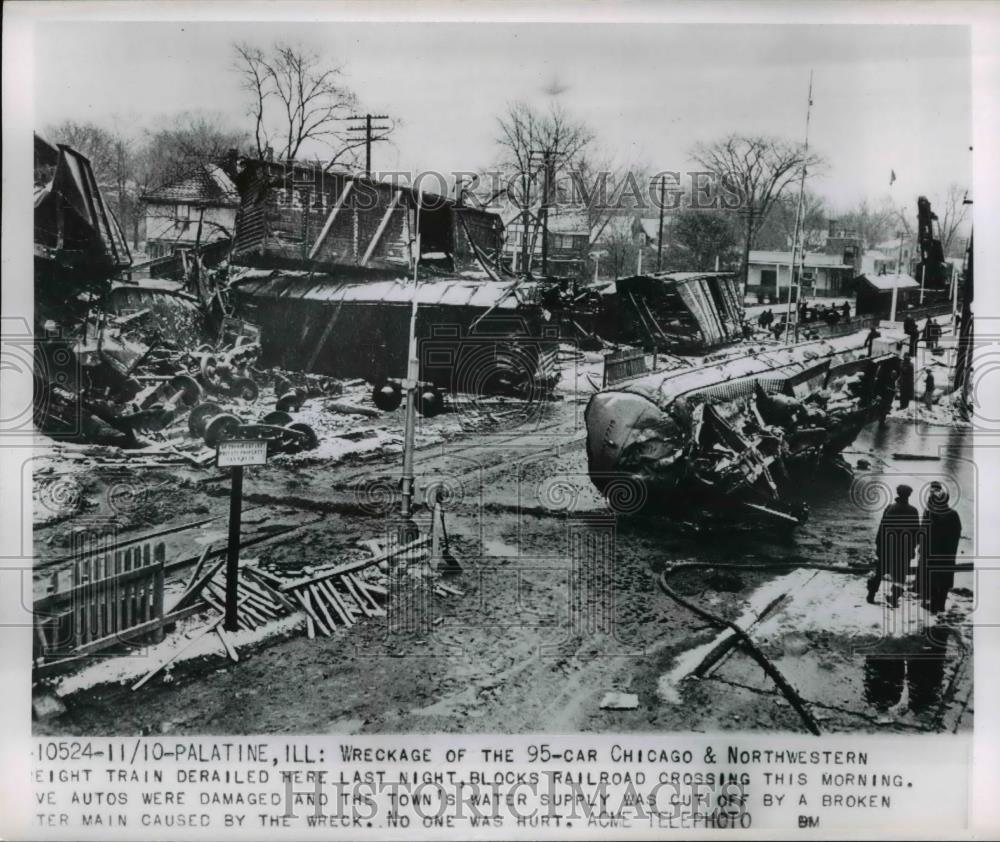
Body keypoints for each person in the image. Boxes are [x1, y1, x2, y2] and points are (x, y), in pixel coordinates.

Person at [868, 484, 920, 607]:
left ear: (898, 494)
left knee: (880, 572)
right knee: (900, 576)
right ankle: (894, 598)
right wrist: (912, 548)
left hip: (887, 548)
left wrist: (879, 546)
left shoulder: (890, 508)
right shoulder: (913, 511)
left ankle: (871, 594)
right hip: (904, 550)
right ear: (909, 495)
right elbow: (916, 532)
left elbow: (882, 529)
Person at [917, 482, 962, 614]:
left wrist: (922, 549)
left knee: (933, 577)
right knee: (945, 578)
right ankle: (940, 604)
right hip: (948, 553)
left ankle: (933, 605)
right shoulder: (953, 514)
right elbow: (957, 532)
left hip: (932, 553)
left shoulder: (931, 514)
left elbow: (924, 533)